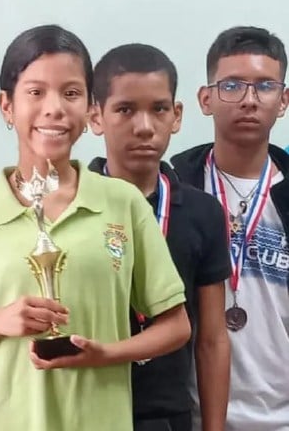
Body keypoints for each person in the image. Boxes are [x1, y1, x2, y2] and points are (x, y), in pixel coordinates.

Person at [0, 25, 192, 431]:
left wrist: (106, 353)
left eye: (70, 93)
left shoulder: (122, 203)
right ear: (6, 105)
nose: (54, 109)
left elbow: (176, 326)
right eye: (36, 92)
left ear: (90, 108)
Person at [87, 43, 231, 431]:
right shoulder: (69, 206)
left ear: (177, 115)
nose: (144, 126)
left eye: (159, 109)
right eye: (125, 109)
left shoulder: (203, 213)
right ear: (95, 116)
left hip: (167, 417)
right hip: (84, 409)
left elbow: (213, 339)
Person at [171, 26, 289, 431]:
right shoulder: (174, 190)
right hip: (190, 416)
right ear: (206, 99)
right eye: (232, 85)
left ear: (284, 100)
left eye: (265, 86)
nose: (249, 100)